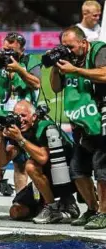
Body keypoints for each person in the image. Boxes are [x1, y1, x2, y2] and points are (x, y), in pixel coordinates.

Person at [0, 32, 41, 217]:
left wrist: (19, 69)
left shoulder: (30, 61)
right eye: (5, 49)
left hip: (21, 120)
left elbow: (37, 84)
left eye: (12, 51)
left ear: (22, 50)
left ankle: (21, 202)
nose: (8, 54)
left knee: (21, 164)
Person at [50, 25, 106, 229]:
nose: (68, 50)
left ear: (83, 43)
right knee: (77, 170)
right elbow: (56, 87)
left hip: (101, 119)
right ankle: (92, 208)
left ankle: (104, 213)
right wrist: (56, 67)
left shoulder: (99, 50)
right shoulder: (68, 59)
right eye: (63, 46)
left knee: (102, 169)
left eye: (71, 46)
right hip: (81, 124)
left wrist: (76, 70)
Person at [0, 100, 80, 223]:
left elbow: (42, 158)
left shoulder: (45, 127)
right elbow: (1, 162)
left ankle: (53, 208)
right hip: (44, 180)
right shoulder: (19, 130)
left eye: (23, 115)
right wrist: (0, 137)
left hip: (67, 178)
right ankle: (60, 206)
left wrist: (20, 139)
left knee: (31, 166)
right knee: (16, 211)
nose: (20, 120)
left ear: (34, 116)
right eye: (17, 116)